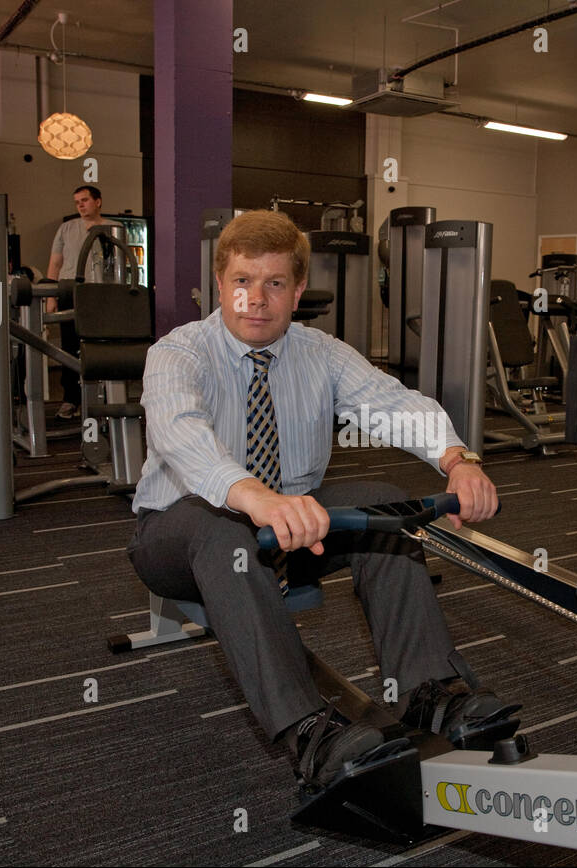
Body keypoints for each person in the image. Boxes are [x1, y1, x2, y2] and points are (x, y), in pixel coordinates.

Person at [127, 210, 518, 787]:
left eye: (275, 283)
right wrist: (255, 497)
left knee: (384, 503)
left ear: (298, 290)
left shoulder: (322, 352)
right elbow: (181, 433)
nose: (256, 299)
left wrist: (458, 461)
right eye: (242, 282)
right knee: (224, 528)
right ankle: (306, 730)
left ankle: (427, 692)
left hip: (294, 523)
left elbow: (392, 404)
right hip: (177, 534)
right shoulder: (178, 353)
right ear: (220, 285)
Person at [45, 185, 119, 420]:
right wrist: (50, 296)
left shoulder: (113, 228)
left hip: (99, 292)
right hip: (70, 290)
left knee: (101, 345)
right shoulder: (66, 228)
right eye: (77, 201)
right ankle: (71, 399)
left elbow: (119, 263)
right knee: (69, 346)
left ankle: (105, 397)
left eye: (85, 200)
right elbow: (55, 263)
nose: (80, 205)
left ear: (97, 201)